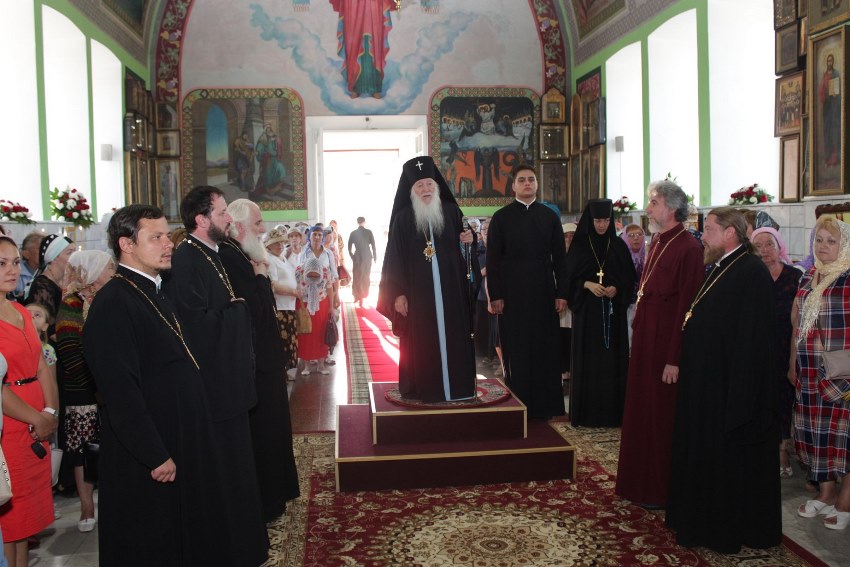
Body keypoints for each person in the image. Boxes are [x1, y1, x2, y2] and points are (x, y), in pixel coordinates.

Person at [83, 205, 234, 565]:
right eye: (157, 237)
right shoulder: (114, 303)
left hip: (175, 435)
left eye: (168, 235)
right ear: (127, 244)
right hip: (148, 453)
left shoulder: (152, 290)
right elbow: (121, 392)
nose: (169, 244)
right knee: (151, 541)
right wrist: (154, 453)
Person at [666, 207, 781, 553]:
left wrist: (738, 394)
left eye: (709, 230)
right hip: (707, 382)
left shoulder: (751, 272)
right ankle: (699, 520)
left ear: (730, 233)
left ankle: (723, 529)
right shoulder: (720, 266)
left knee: (728, 463)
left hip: (728, 388)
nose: (703, 236)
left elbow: (753, 341)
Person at [164, 186, 269, 564]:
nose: (228, 218)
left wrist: (235, 310)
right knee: (222, 472)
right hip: (213, 389)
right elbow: (196, 326)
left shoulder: (210, 253)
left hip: (228, 384)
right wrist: (238, 310)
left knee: (237, 468)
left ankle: (244, 542)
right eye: (222, 212)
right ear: (201, 219)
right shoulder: (187, 260)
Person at [615, 180, 704, 509]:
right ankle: (637, 485)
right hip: (645, 343)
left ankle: (659, 490)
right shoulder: (658, 241)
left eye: (653, 203)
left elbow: (686, 309)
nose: (648, 209)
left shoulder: (688, 248)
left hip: (665, 347)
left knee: (660, 419)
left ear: (671, 207)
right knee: (640, 413)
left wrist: (674, 358)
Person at [220, 199, 300, 521]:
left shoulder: (242, 254)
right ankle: (269, 498)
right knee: (265, 429)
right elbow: (255, 307)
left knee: (275, 424)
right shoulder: (231, 257)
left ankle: (279, 490)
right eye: (258, 223)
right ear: (239, 227)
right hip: (254, 362)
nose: (263, 229)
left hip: (265, 356)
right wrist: (262, 276)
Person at [377, 155, 477, 403]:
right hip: (417, 296)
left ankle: (458, 388)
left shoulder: (451, 212)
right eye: (419, 185)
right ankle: (425, 389)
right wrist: (397, 293)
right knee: (421, 343)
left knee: (454, 337)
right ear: (412, 191)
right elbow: (394, 258)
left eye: (429, 184)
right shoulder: (403, 219)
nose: (425, 189)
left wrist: (469, 241)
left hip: (451, 292)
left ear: (437, 186)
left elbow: (466, 246)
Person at [486, 163, 569, 419]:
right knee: (517, 348)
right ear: (513, 186)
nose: (527, 183)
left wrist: (562, 293)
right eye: (522, 180)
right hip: (512, 294)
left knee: (545, 347)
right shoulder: (501, 217)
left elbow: (560, 258)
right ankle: (518, 404)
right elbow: (493, 259)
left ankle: (546, 407)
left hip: (544, 290)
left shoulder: (549, 216)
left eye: (531, 179)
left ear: (537, 184)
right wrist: (496, 295)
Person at [0, 235, 58, 567]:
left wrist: (49, 411)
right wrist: (37, 418)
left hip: (36, 421)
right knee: (10, 516)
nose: (12, 270)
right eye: (1, 264)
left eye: (15, 263)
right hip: (9, 425)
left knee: (25, 520)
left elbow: (40, 364)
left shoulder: (21, 310)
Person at [791, 215, 850, 530]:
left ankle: (846, 501)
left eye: (831, 241)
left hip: (842, 372)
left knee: (844, 436)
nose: (823, 246)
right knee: (817, 433)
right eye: (819, 240)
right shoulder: (808, 276)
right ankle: (826, 493)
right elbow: (796, 323)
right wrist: (792, 362)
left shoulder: (849, 277)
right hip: (810, 368)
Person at [55, 250, 116, 533]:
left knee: (107, 447)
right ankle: (86, 507)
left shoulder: (106, 298)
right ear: (91, 272)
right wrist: (96, 387)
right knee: (84, 449)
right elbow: (70, 350)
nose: (113, 271)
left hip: (108, 387)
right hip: (82, 389)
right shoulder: (72, 304)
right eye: (108, 267)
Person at [564, 199, 635, 427]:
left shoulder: (618, 246)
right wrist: (587, 285)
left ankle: (614, 414)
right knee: (589, 361)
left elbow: (629, 279)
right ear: (590, 220)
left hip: (613, 315)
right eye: (597, 221)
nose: (602, 225)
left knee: (612, 362)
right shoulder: (580, 246)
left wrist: (617, 288)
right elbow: (568, 279)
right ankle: (586, 414)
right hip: (587, 314)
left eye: (605, 220)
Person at [751, 227, 802, 480]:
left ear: (779, 246)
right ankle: (766, 449)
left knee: (786, 399)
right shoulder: (751, 277)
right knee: (763, 397)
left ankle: (784, 449)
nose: (764, 251)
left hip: (787, 345)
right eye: (758, 246)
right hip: (758, 349)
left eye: (769, 245)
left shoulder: (795, 276)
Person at [330, 0, 398, 98]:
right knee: (354, 41)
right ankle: (355, 86)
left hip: (374, 3)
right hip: (353, 4)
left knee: (374, 40)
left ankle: (374, 87)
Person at [296, 225, 339, 375]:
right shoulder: (303, 254)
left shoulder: (328, 255)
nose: (317, 237)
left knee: (321, 331)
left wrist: (333, 302)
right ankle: (307, 365)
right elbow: (298, 278)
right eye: (314, 234)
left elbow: (332, 280)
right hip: (305, 299)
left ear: (323, 237)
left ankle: (321, 365)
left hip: (323, 298)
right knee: (306, 332)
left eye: (320, 235)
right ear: (309, 236)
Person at [264, 227, 301, 379]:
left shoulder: (283, 258)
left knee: (290, 339)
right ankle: (282, 373)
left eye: (281, 243)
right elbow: (274, 285)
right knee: (283, 341)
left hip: (289, 306)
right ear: (269, 246)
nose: (280, 245)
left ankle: (287, 371)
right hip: (280, 308)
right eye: (276, 243)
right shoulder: (270, 260)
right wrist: (293, 292)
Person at [24, 234, 74, 329]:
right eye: (69, 252)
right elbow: (45, 327)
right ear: (54, 258)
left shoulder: (64, 281)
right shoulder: (42, 286)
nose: (75, 256)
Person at [620, 223, 646, 348]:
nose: (636, 238)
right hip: (625, 304)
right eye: (631, 235)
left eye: (639, 234)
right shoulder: (620, 258)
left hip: (644, 305)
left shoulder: (649, 257)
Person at [559, 222, 577, 383]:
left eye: (572, 236)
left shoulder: (582, 256)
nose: (569, 239)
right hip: (559, 306)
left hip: (576, 305)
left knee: (574, 338)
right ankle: (563, 371)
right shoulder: (555, 255)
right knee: (561, 338)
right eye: (565, 236)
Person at [348, 216, 377, 307]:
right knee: (365, 276)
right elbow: (373, 245)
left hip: (357, 256)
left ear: (357, 222)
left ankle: (357, 296)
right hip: (367, 256)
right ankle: (362, 296)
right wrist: (375, 256)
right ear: (364, 222)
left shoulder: (353, 233)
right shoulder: (369, 232)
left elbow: (349, 247)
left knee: (357, 276)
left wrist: (352, 257)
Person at [254, 123, 287, 198]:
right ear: (265, 130)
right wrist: (258, 152)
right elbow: (260, 147)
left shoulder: (275, 137)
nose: (268, 130)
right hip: (268, 159)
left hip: (275, 158)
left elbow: (279, 145)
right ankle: (270, 189)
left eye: (269, 128)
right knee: (268, 174)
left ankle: (276, 187)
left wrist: (277, 141)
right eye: (267, 129)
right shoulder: (263, 138)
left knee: (281, 170)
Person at [821, 53, 840, 167]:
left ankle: (834, 159)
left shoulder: (836, 74)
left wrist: (835, 94)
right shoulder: (824, 75)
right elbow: (822, 90)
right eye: (828, 61)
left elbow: (838, 89)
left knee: (834, 133)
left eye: (831, 61)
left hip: (834, 108)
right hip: (826, 107)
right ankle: (828, 159)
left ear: (833, 62)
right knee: (827, 133)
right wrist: (824, 95)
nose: (829, 63)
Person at [14, 232, 43, 300]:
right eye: (41, 248)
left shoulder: (51, 271)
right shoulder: (16, 273)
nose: (44, 252)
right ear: (26, 254)